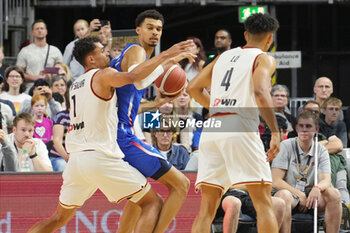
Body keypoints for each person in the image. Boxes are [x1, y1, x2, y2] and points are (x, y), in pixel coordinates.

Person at [28, 35, 194, 232]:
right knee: (152, 203)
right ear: (91, 59)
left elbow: (114, 107)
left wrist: (155, 103)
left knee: (58, 219)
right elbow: (135, 78)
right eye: (101, 50)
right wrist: (168, 54)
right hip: (99, 156)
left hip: (76, 161)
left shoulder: (75, 85)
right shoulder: (104, 75)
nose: (107, 52)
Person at [187, 13, 280, 233]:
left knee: (207, 209)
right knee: (264, 202)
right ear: (269, 39)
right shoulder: (264, 58)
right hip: (240, 126)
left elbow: (192, 88)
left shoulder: (223, 57)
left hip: (213, 127)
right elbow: (260, 91)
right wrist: (275, 131)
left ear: (246, 34)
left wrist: (218, 109)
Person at [109, 9, 193, 233]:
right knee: (181, 185)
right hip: (123, 137)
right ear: (138, 30)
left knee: (139, 197)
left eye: (159, 29)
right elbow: (138, 75)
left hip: (115, 132)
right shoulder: (136, 51)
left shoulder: (139, 58)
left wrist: (156, 104)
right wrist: (168, 55)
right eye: (150, 28)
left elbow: (128, 103)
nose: (155, 32)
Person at [271, 111, 342, 233]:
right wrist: (299, 193)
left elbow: (326, 179)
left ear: (316, 129)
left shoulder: (321, 150)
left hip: (312, 196)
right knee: (284, 196)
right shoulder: (285, 146)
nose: (304, 130)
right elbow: (275, 180)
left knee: (334, 193)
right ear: (296, 128)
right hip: (291, 193)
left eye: (308, 126)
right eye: (301, 126)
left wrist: (317, 188)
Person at [16, 19, 63, 91]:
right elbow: (18, 73)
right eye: (37, 29)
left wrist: (48, 72)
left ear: (46, 31)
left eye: (42, 28)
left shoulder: (55, 51)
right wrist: (35, 77)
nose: (40, 30)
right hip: (30, 89)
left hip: (50, 89)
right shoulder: (25, 51)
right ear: (32, 32)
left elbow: (62, 71)